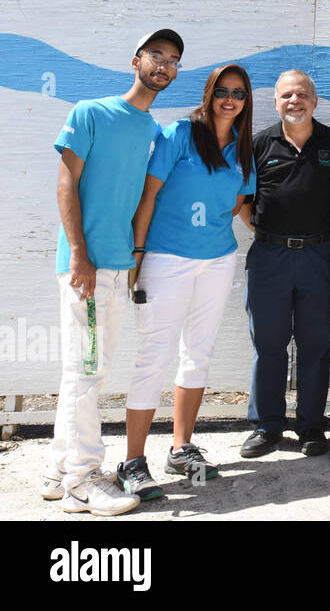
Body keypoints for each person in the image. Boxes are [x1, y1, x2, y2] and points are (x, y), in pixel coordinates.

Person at [42, 28, 182, 517]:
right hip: (89, 268)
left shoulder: (151, 130)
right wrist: (79, 254)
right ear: (136, 60)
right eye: (156, 56)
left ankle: (62, 468)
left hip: (120, 268)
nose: (163, 65)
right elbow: (66, 182)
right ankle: (83, 482)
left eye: (173, 60)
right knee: (88, 371)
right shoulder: (90, 111)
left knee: (80, 370)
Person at [120, 63, 256, 497]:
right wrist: (138, 255)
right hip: (165, 259)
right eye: (222, 91)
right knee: (154, 356)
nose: (230, 99)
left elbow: (235, 204)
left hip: (217, 261)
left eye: (238, 92)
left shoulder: (242, 148)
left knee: (198, 353)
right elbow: (148, 196)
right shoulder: (179, 133)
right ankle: (132, 462)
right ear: (209, 93)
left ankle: (181, 449)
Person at [238, 69, 330, 459]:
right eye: (286, 95)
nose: (294, 101)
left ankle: (311, 427)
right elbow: (243, 204)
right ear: (276, 102)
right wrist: (274, 236)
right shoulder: (257, 144)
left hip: (319, 256)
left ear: (314, 101)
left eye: (301, 94)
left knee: (316, 344)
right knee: (268, 343)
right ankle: (267, 425)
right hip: (269, 256)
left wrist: (313, 237)